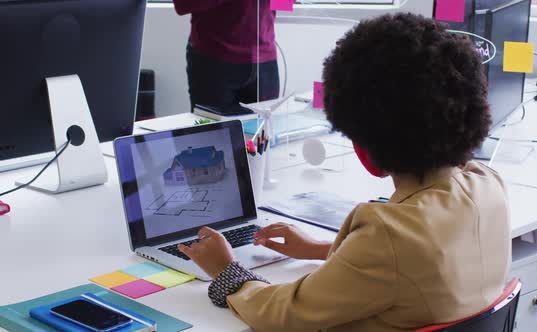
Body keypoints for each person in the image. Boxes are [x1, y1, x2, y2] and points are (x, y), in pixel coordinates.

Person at [177, 13, 511, 331]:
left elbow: (283, 313)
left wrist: (226, 271)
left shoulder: (388, 235)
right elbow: (417, 266)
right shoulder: (488, 186)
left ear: (367, 140)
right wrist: (325, 249)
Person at [173, 0, 280, 113]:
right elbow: (182, 5)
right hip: (213, 62)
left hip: (265, 62)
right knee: (212, 130)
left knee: (264, 129)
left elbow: (284, 4)